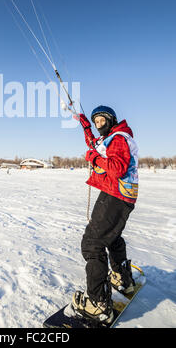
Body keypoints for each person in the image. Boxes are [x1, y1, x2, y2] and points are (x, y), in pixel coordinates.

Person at [72, 106, 139, 324]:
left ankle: (98, 304)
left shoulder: (118, 138)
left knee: (92, 244)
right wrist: (85, 126)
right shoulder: (112, 137)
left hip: (115, 195)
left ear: (111, 120)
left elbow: (117, 167)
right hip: (120, 195)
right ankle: (123, 279)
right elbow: (94, 144)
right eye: (96, 121)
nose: (99, 124)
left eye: (101, 120)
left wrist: (93, 158)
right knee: (110, 236)